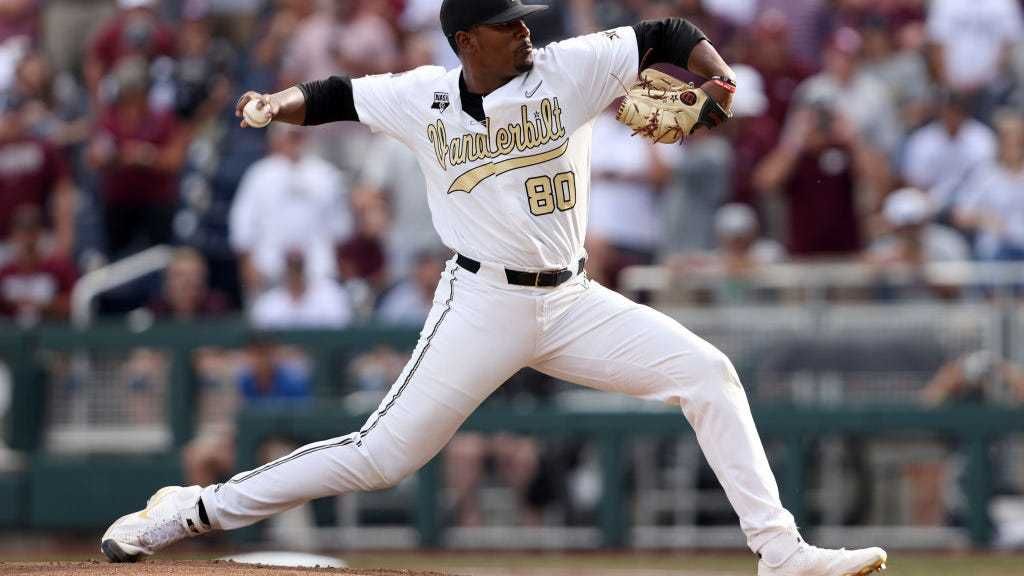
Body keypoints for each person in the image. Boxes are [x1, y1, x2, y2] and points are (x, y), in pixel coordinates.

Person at [101, 2, 888, 574]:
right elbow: (340, 93)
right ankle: (190, 509)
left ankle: (780, 551)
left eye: (524, 19)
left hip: (573, 302)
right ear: (466, 40)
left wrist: (717, 78)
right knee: (379, 457)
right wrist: (279, 103)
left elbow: (669, 34)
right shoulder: (424, 95)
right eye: (507, 24)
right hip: (480, 303)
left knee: (707, 373)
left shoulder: (569, 68)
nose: (526, 31)